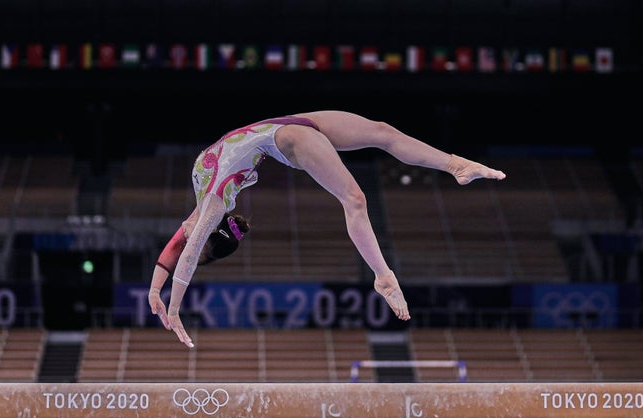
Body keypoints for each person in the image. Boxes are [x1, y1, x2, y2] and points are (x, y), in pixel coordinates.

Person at [149, 110, 506, 348]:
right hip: (287, 135)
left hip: (289, 126)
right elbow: (186, 248)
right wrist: (165, 298)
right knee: (354, 198)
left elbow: (185, 246)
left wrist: (163, 297)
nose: (184, 232)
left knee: (382, 134)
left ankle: (456, 165)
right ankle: (383, 275)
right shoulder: (209, 199)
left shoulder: (206, 203)